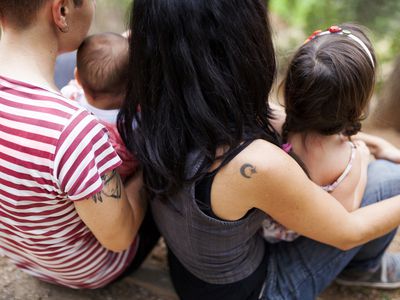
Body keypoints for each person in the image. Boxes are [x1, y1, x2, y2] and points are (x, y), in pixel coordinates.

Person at [119, 1, 400, 299]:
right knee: (389, 180)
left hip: (192, 270)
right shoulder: (255, 164)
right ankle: (363, 269)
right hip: (256, 291)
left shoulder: (159, 102)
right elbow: (347, 232)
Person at [0, 0, 150, 289]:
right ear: (63, 10)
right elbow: (119, 238)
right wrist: (146, 167)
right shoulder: (74, 132)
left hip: (26, 257)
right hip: (88, 270)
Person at [262, 24, 400, 243]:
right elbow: (348, 211)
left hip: (260, 235)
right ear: (358, 103)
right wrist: (363, 162)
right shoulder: (348, 163)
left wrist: (375, 144)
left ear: (292, 85)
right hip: (300, 242)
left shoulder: (271, 123)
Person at [61, 32, 138, 180]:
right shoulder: (134, 123)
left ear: (77, 77)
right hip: (124, 180)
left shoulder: (71, 99)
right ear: (131, 86)